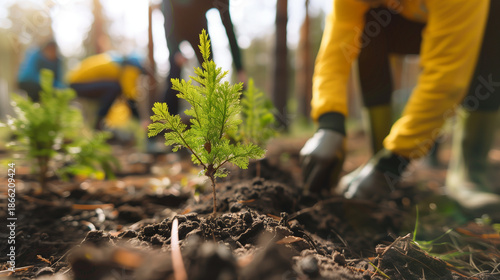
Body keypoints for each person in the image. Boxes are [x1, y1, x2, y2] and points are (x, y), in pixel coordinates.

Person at [300, 0, 500, 218]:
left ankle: (470, 174)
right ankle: (377, 158)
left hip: (471, 19)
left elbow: (445, 81)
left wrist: (394, 162)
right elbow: (336, 47)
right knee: (371, 21)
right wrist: (330, 122)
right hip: (408, 22)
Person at [161, 0, 246, 116]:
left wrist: (240, 69)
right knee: (174, 72)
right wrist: (174, 50)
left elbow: (229, 30)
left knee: (208, 72)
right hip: (176, 25)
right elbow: (167, 11)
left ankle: (212, 116)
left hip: (199, 27)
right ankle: (166, 120)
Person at [66, 52, 145, 130]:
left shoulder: (118, 62)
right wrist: (142, 119)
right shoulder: (130, 68)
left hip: (76, 82)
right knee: (114, 88)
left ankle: (99, 123)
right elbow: (129, 96)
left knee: (114, 89)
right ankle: (99, 124)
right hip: (78, 84)